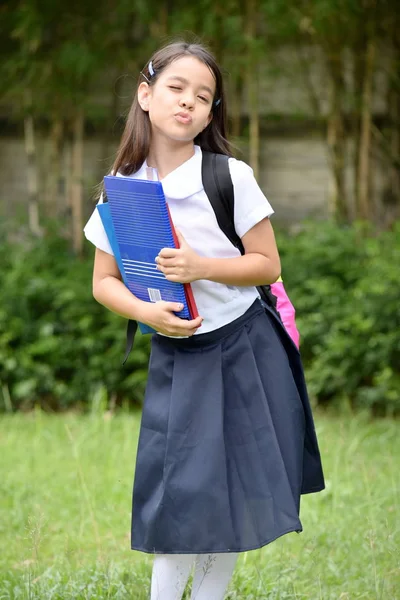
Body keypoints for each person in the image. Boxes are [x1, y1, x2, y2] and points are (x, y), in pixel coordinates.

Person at [84, 40, 324, 600]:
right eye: (176, 89)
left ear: (212, 112)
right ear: (145, 95)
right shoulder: (121, 190)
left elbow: (267, 265)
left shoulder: (229, 177)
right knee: (178, 496)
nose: (188, 103)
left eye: (204, 97)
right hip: (178, 354)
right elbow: (102, 283)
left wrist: (202, 268)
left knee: (232, 491)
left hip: (245, 347)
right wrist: (146, 313)